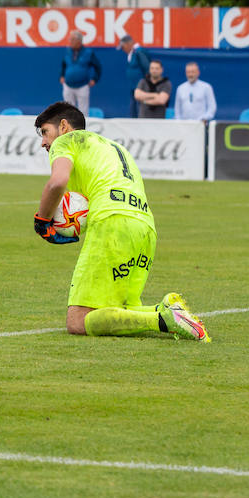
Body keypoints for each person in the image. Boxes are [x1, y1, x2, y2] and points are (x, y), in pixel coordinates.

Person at [31, 102, 208, 341]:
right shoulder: (114, 147)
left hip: (112, 225)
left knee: (77, 320)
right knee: (120, 309)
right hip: (145, 228)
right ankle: (168, 313)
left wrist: (42, 221)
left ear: (63, 126)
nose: (43, 142)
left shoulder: (67, 141)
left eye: (45, 132)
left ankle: (162, 320)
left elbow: (57, 182)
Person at [59, 31, 101, 112]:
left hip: (82, 86)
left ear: (79, 41)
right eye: (70, 39)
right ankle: (70, 125)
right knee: (68, 111)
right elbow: (63, 64)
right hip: (68, 85)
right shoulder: (68, 51)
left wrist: (94, 79)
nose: (70, 41)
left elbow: (98, 67)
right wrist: (62, 75)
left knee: (83, 112)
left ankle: (82, 124)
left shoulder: (88, 52)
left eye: (72, 39)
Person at [119, 35, 150, 118]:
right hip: (134, 87)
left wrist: (144, 85)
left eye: (123, 47)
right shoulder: (132, 53)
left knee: (140, 108)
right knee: (133, 108)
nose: (123, 49)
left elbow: (147, 68)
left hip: (140, 88)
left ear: (129, 44)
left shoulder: (138, 52)